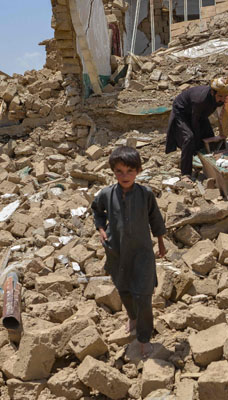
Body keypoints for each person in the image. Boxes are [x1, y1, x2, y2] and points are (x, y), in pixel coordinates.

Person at [91, 146, 166, 357]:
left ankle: (144, 338)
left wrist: (160, 241)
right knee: (123, 288)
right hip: (117, 251)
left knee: (143, 295)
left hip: (142, 252)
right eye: (119, 172)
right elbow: (97, 212)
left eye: (130, 171)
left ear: (139, 171)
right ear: (113, 171)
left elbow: (155, 218)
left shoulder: (146, 194)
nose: (125, 176)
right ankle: (132, 317)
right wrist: (101, 229)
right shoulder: (106, 194)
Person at [165, 77, 228, 182]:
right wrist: (196, 144)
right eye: (220, 96)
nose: (222, 99)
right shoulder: (200, 100)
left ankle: (213, 166)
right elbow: (195, 122)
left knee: (210, 138)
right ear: (212, 92)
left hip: (200, 113)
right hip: (182, 111)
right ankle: (186, 173)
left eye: (225, 96)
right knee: (189, 138)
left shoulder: (224, 97)